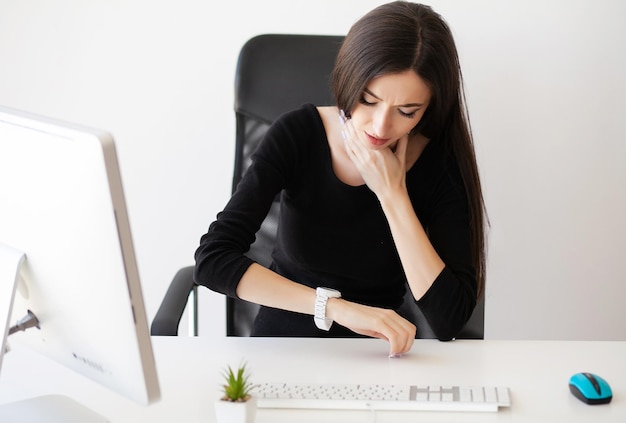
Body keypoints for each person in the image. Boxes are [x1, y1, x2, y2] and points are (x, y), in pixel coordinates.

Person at [194, 1, 487, 356]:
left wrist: (392, 193)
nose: (381, 127)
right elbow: (213, 260)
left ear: (429, 108)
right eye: (368, 100)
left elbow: (448, 319)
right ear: (348, 80)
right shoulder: (299, 134)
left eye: (406, 112)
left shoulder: (437, 162)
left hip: (379, 357)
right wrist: (334, 308)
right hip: (281, 348)